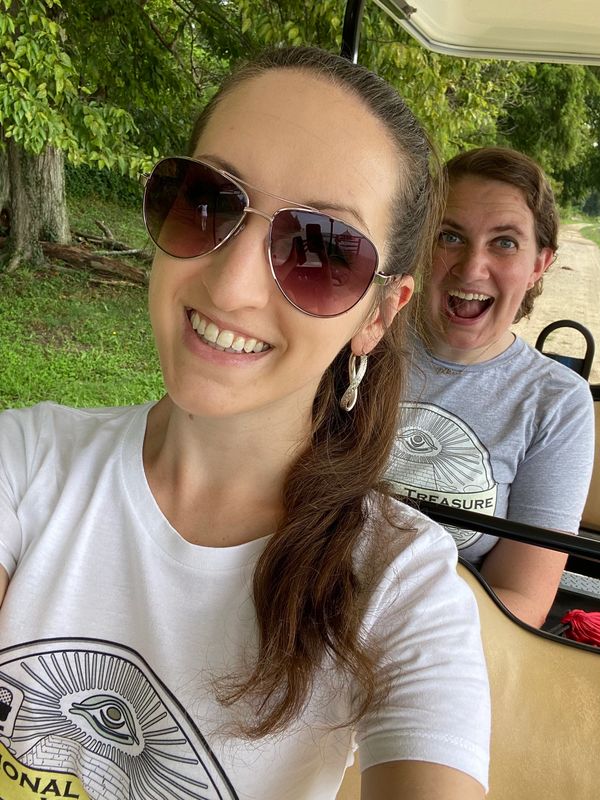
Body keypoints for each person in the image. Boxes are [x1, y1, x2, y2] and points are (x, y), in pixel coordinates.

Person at [0, 48, 490, 799]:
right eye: (208, 201)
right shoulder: (26, 463)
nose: (231, 286)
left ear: (379, 315)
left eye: (322, 250)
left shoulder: (402, 588)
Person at [387, 146, 595, 628]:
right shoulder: (361, 346)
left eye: (504, 243)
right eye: (450, 236)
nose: (471, 267)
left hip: (444, 646)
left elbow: (520, 599)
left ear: (540, 264)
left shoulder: (555, 404)